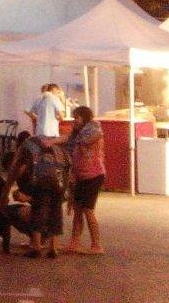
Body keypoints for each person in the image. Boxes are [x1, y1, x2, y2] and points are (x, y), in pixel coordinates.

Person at [7, 129, 65, 258]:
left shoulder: (26, 147)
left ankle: (36, 247)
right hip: (58, 180)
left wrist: (6, 191)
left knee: (39, 211)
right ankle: (53, 248)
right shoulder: (49, 144)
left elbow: (17, 169)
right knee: (56, 211)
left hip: (42, 180)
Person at [62, 105, 106, 255]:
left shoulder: (93, 130)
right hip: (81, 175)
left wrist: (79, 138)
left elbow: (89, 139)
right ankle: (74, 242)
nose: (74, 120)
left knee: (88, 210)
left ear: (84, 118)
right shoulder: (78, 134)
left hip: (93, 175)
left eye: (77, 117)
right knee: (78, 210)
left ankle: (96, 245)